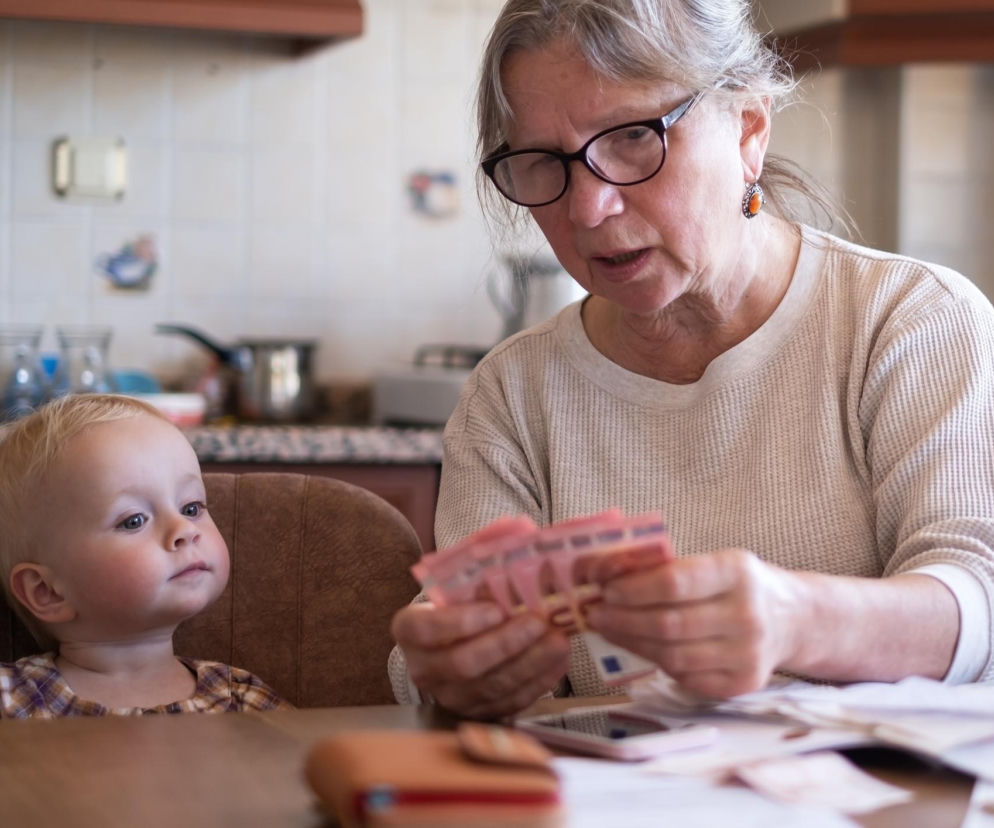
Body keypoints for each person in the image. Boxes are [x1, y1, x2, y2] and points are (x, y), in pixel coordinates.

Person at [388, 0, 994, 720]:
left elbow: (977, 599)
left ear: (748, 130)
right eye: (543, 163)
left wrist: (794, 620)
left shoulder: (911, 321)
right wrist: (445, 667)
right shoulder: (513, 393)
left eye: (633, 138)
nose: (588, 209)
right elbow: (451, 648)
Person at [0, 393, 292, 717]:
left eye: (191, 508)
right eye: (133, 521)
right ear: (47, 591)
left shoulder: (241, 701)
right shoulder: (11, 700)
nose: (185, 529)